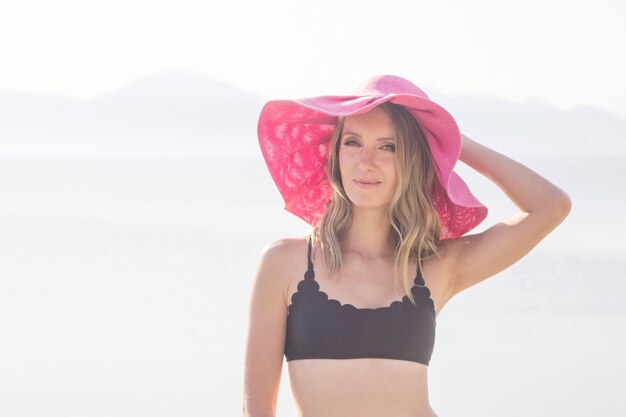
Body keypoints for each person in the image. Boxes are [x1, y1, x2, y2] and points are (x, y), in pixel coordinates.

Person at [243, 75, 571, 417]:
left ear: (413, 159)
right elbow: (257, 409)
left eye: (388, 146)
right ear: (336, 153)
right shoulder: (285, 263)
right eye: (353, 142)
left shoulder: (436, 266)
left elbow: (550, 207)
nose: (365, 161)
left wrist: (454, 142)